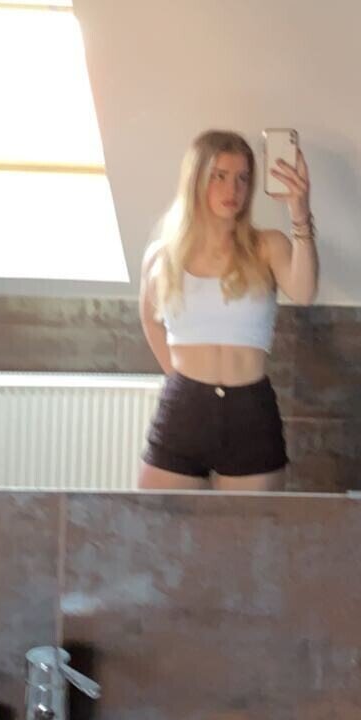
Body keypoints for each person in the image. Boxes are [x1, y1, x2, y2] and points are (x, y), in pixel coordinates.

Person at [137, 129, 318, 491]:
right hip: (184, 410)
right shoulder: (163, 255)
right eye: (219, 176)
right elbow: (149, 320)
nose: (232, 189)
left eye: (242, 178)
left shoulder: (267, 245)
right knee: (156, 522)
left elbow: (303, 292)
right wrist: (183, 382)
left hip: (249, 412)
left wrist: (300, 213)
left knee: (250, 527)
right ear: (196, 179)